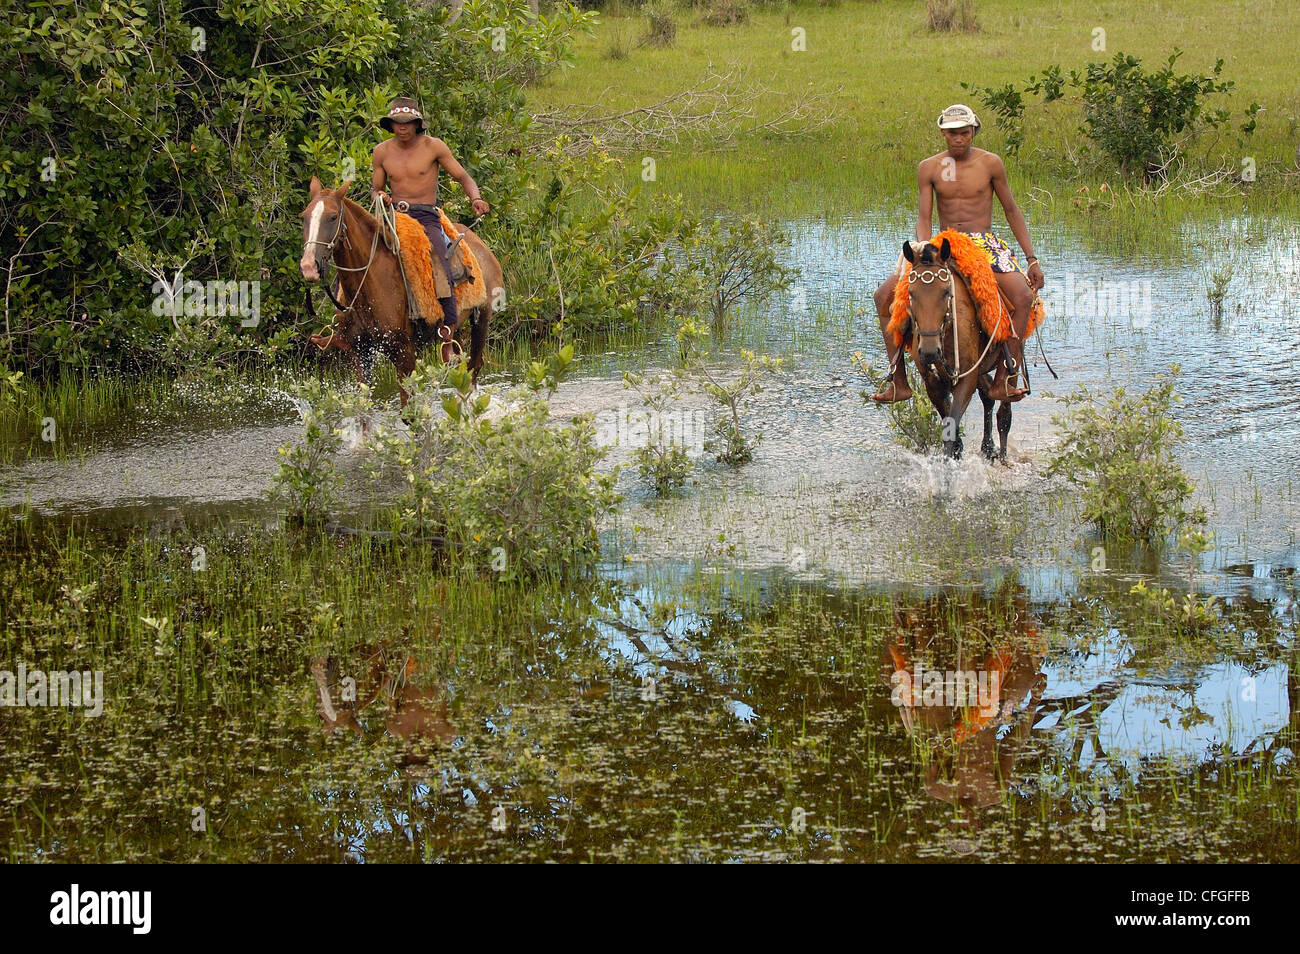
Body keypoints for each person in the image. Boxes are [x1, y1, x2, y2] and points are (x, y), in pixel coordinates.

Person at [871, 104, 1044, 403]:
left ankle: (1005, 376)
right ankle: (898, 380)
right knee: (883, 296)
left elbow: (1011, 209)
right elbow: (924, 215)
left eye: (964, 133)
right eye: (952, 133)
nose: (958, 139)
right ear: (942, 133)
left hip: (983, 242)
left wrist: (1031, 258)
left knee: (1024, 298)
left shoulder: (991, 164)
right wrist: (924, 248)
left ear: (974, 131)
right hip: (943, 243)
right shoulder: (929, 167)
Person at [371, 96, 490, 362]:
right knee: (362, 252)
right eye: (396, 122)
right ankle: (346, 319)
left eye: (407, 122)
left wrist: (476, 198)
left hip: (425, 217)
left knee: (439, 257)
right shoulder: (381, 151)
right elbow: (376, 188)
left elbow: (462, 176)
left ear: (416, 124)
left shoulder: (434, 147)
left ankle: (447, 328)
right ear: (390, 125)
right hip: (394, 216)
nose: (402, 127)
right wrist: (381, 197)